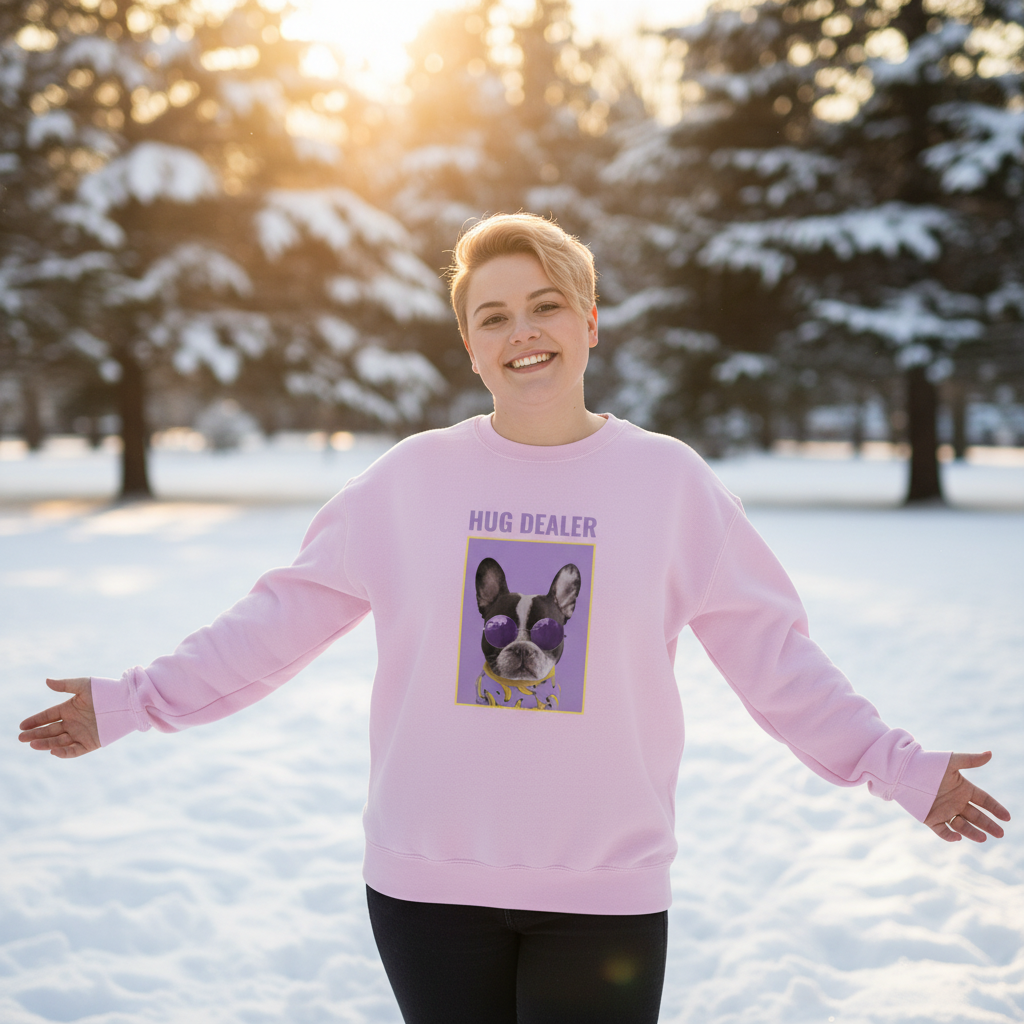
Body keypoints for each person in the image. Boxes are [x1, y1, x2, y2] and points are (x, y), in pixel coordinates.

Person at [18, 213, 1010, 1024]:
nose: (520, 329)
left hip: (601, 890)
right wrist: (132, 701)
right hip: (425, 885)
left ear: (588, 322)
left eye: (543, 305)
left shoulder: (669, 485)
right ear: (468, 343)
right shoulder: (408, 482)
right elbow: (275, 622)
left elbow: (776, 663)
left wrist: (898, 764)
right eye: (492, 315)